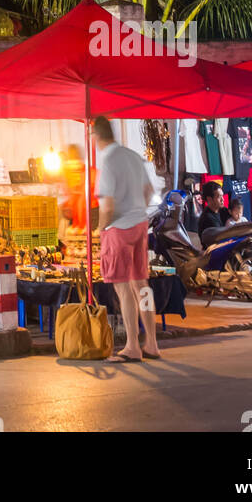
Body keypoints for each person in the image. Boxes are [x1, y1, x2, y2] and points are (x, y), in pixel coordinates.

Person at [94, 116, 159, 364]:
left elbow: (107, 205)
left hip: (118, 229)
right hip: (140, 224)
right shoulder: (132, 156)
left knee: (123, 288)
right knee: (141, 284)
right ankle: (151, 342)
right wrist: (135, 210)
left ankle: (133, 346)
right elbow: (149, 192)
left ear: (97, 136)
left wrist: (101, 229)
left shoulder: (108, 160)